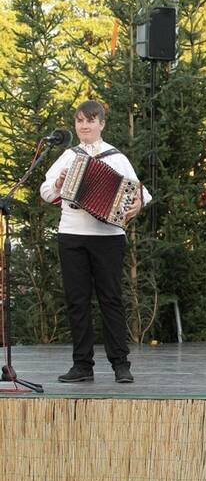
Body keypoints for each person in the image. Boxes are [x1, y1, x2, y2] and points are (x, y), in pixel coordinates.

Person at [40, 100, 150, 384]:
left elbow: (141, 193)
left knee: (111, 299)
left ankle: (121, 364)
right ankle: (82, 365)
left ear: (101, 124)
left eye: (90, 120)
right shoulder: (68, 156)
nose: (84, 126)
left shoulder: (116, 158)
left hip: (108, 238)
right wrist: (58, 185)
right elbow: (46, 191)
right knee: (77, 301)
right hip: (72, 235)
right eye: (79, 121)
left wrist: (136, 205)